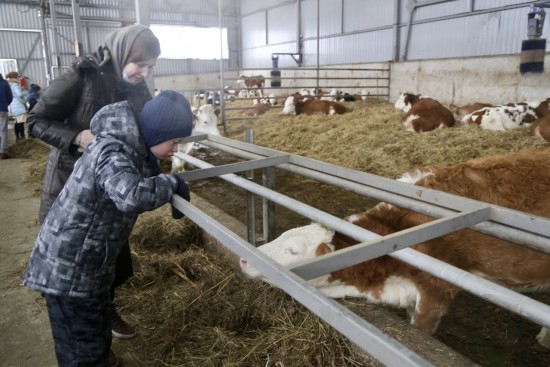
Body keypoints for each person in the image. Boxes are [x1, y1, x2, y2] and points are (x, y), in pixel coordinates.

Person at [23, 90, 193, 367]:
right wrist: (170, 184)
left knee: (96, 322)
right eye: (174, 141)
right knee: (79, 344)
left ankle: (99, 356)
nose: (176, 148)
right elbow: (131, 196)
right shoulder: (114, 150)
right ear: (155, 131)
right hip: (69, 270)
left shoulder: (129, 149)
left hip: (87, 263)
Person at [27, 24, 161, 349]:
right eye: (140, 65)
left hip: (114, 189)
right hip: (72, 189)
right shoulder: (81, 75)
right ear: (120, 53)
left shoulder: (137, 87)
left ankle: (104, 314)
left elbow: (144, 127)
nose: (145, 73)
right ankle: (86, 341)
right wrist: (77, 137)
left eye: (151, 67)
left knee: (108, 257)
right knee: (77, 263)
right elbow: (35, 120)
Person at [6, 71, 27, 142]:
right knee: (20, 123)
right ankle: (22, 137)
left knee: (17, 122)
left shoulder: (8, 84)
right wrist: (26, 92)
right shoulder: (15, 84)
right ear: (15, 77)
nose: (18, 78)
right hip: (18, 106)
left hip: (12, 106)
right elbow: (19, 94)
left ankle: (17, 137)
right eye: (17, 76)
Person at [0, 74, 13, 159]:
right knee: (3, 130)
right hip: (2, 109)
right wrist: (5, 104)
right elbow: (10, 97)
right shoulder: (4, 84)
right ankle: (3, 151)